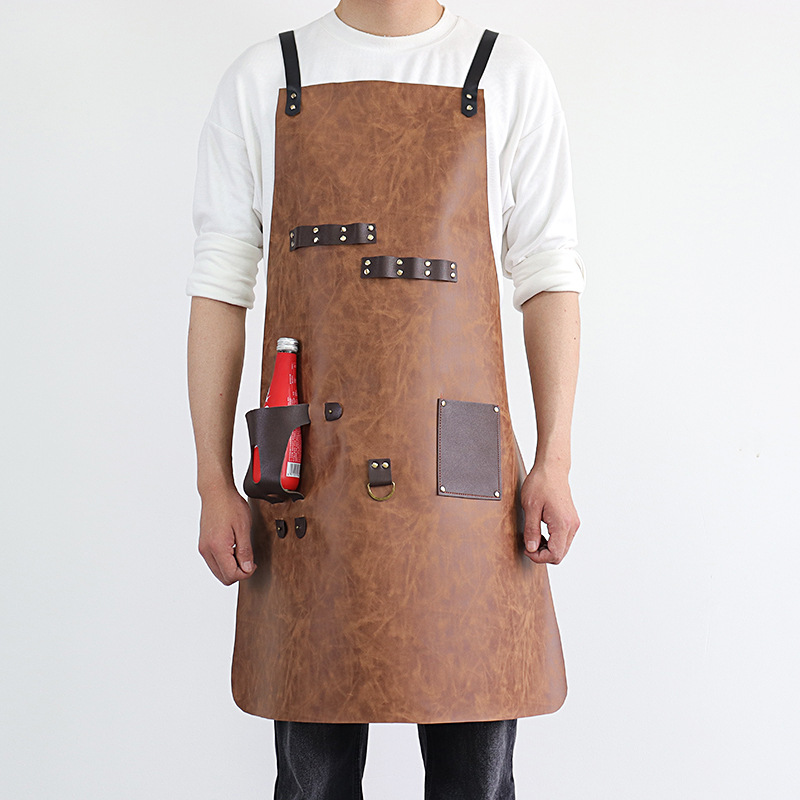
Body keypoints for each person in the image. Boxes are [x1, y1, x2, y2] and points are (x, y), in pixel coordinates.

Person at [186, 1, 584, 797]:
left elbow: (550, 276)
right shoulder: (266, 79)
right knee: (313, 782)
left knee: (476, 778)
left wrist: (555, 461)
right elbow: (219, 291)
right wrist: (212, 482)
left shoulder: (506, 73)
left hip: (467, 486)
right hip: (310, 482)